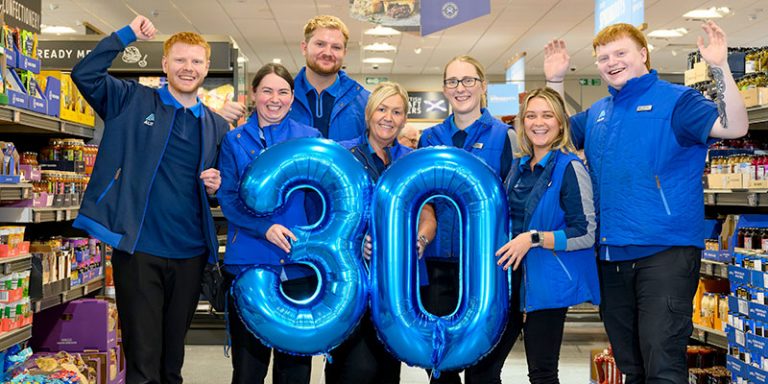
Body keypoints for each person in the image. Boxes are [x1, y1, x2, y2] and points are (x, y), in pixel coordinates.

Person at [543, 21, 748, 383]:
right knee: (630, 364)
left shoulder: (677, 101)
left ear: (642, 54)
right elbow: (553, 134)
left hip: (664, 252)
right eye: (602, 57)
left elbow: (734, 128)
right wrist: (555, 82)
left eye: (620, 53)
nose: (611, 62)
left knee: (662, 360)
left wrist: (718, 67)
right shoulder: (598, 113)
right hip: (610, 256)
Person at [71, 15, 239, 384]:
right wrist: (126, 34)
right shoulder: (130, 100)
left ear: (207, 68)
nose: (188, 68)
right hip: (139, 249)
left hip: (191, 253)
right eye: (180, 60)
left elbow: (223, 187)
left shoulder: (215, 126)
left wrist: (217, 184)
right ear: (164, 64)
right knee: (143, 359)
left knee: (172, 361)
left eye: (196, 61)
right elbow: (84, 74)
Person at [417, 55, 520, 384]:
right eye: (452, 82)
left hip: (486, 268)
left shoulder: (505, 137)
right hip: (437, 267)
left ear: (483, 86)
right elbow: (422, 200)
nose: (460, 88)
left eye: (468, 81)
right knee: (441, 364)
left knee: (484, 371)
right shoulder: (429, 138)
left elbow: (513, 201)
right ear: (445, 89)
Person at [217, 63, 321, 384]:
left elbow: (321, 198)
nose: (274, 99)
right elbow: (229, 198)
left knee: (295, 370)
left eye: (283, 92)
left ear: (292, 98)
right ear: (254, 94)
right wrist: (264, 228)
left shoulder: (309, 139)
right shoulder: (234, 140)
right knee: (248, 369)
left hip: (298, 266)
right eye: (267, 91)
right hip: (249, 263)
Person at [326, 82, 436, 384]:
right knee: (353, 368)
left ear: (404, 119)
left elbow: (428, 216)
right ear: (369, 113)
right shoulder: (344, 155)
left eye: (397, 111)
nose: (388, 117)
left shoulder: (412, 161)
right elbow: (329, 218)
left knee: (387, 368)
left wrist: (421, 240)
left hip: (398, 285)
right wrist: (357, 242)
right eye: (382, 109)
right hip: (353, 281)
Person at [495, 87, 599, 384]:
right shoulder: (517, 168)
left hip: (547, 283)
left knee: (542, 373)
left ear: (561, 122)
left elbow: (585, 232)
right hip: (509, 281)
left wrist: (534, 238)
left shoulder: (571, 168)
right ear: (522, 123)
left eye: (547, 115)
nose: (538, 122)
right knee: (483, 370)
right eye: (531, 115)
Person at [289, 15, 369, 141]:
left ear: (344, 53)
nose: (327, 53)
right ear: (304, 48)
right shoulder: (283, 99)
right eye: (320, 44)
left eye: (336, 47)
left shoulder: (365, 102)